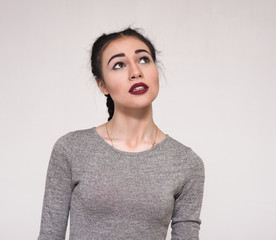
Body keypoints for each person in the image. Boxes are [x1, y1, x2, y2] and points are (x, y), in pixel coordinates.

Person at [38, 28, 205, 240]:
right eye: (119, 65)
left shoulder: (187, 163)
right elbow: (49, 236)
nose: (135, 72)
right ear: (102, 85)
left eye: (144, 59)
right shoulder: (70, 149)